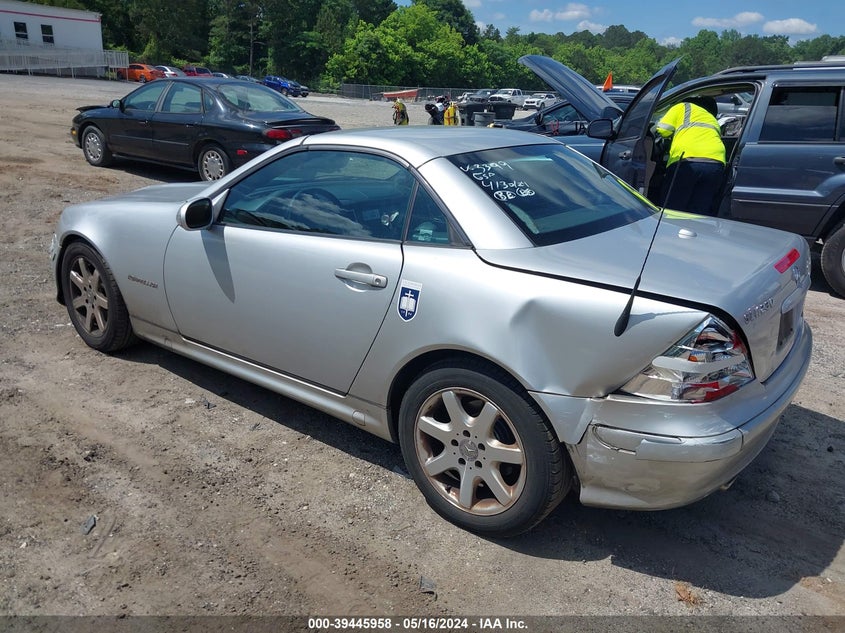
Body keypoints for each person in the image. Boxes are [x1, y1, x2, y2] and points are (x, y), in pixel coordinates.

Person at [654, 96, 725, 216]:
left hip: (688, 160)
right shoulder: (711, 117)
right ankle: (695, 231)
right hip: (716, 162)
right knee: (700, 209)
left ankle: (671, 231)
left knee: (673, 208)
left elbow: (663, 129)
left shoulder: (681, 106)